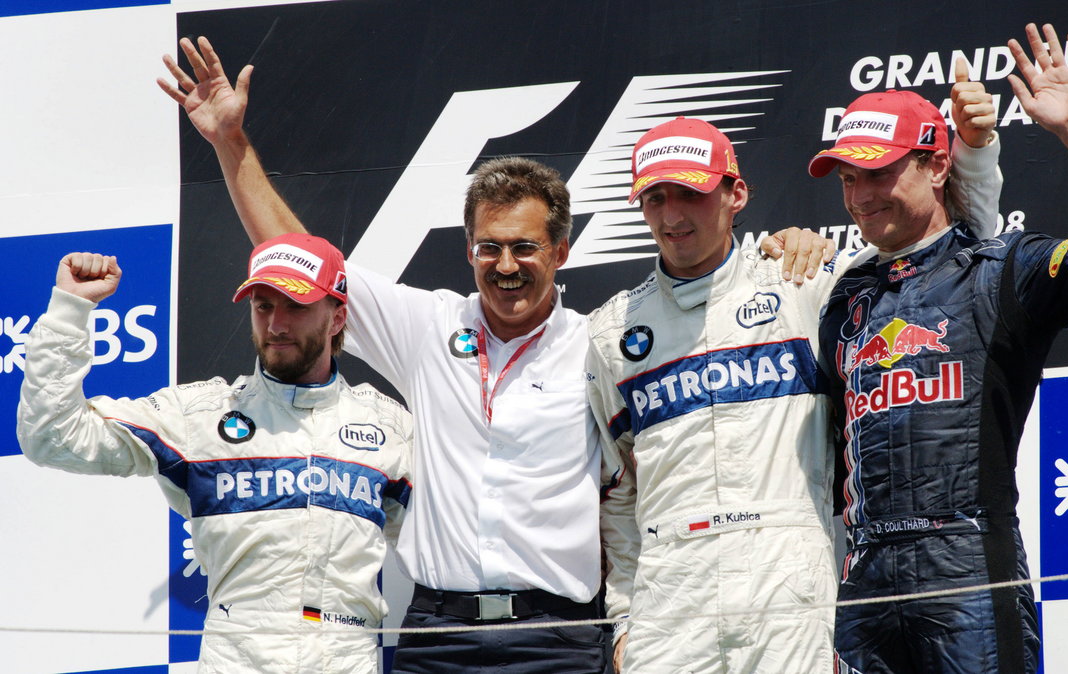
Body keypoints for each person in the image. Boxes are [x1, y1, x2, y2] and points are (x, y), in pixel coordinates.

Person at [159, 37, 609, 673]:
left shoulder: (598, 345)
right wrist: (230, 142)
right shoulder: (429, 325)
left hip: (557, 639)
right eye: (488, 248)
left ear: (560, 253)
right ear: (469, 250)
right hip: (436, 637)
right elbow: (301, 259)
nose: (505, 267)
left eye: (524, 248)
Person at [585, 66, 1002, 672]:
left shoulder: (805, 284)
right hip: (670, 604)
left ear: (735, 194)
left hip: (792, 589)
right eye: (655, 197)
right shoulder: (611, 333)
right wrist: (624, 621)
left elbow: (950, 262)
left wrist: (976, 154)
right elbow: (617, 495)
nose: (672, 214)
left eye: (691, 193)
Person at [809, 24, 1068, 674]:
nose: (862, 196)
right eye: (847, 178)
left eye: (880, 172)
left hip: (968, 563)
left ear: (938, 163)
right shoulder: (844, 298)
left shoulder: (1001, 269)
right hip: (862, 579)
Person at [17, 234, 414, 673]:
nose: (276, 324)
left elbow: (453, 539)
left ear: (337, 318)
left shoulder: (388, 426)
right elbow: (50, 436)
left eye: (296, 306)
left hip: (348, 661)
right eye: (263, 306)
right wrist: (71, 310)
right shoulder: (199, 416)